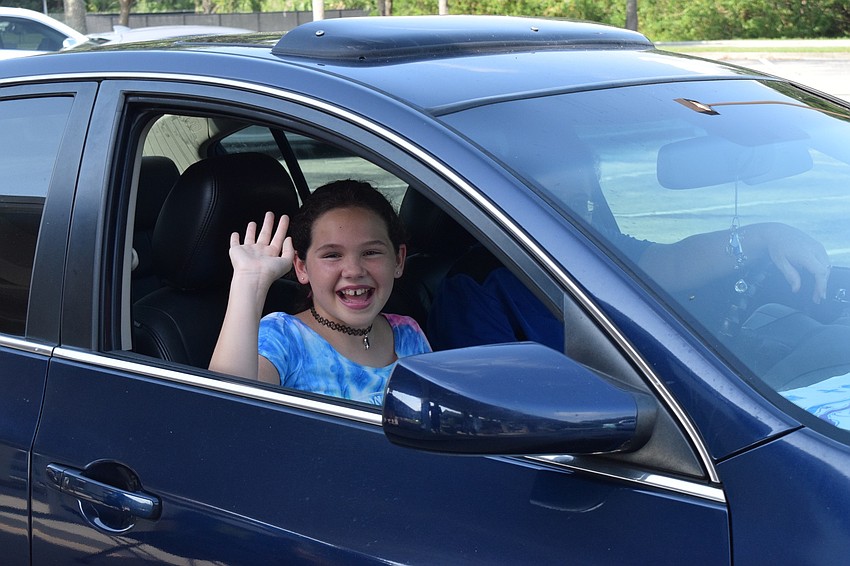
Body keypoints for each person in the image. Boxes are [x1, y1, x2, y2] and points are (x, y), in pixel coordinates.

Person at [429, 146, 832, 351]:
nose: (567, 194)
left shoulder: (594, 246)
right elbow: (503, 407)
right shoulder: (475, 286)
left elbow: (672, 262)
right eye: (544, 179)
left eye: (578, 179)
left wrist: (765, 235)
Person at [209, 180, 431, 405]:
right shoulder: (283, 337)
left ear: (399, 260)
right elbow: (224, 412)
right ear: (302, 268)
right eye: (332, 255)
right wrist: (250, 281)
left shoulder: (408, 334)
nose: (354, 271)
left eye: (371, 252)